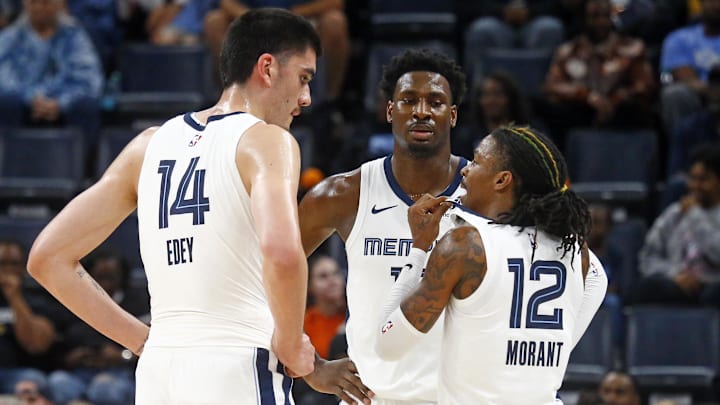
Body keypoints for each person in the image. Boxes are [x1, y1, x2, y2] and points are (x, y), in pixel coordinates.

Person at [27, 8, 320, 403]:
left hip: (159, 372)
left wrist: (140, 339)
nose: (306, 98)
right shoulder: (266, 141)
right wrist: (290, 343)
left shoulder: (147, 146)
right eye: (303, 78)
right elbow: (283, 254)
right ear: (267, 68)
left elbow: (47, 258)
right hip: (237, 363)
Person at [374, 125, 608, 404]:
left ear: (502, 180)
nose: (465, 170)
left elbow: (388, 345)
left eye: (475, 161)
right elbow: (597, 278)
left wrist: (419, 249)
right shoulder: (573, 248)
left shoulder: (465, 245)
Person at [298, 48, 468, 404]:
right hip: (370, 396)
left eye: (435, 102)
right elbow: (264, 274)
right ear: (390, 111)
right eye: (408, 100)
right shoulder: (343, 194)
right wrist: (310, 365)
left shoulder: (484, 196)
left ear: (452, 116)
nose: (421, 111)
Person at [0, 0, 103, 143]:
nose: (39, 7)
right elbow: (4, 79)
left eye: (45, 2)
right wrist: (31, 99)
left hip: (64, 108)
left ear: (59, 3)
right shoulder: (10, 37)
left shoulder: (75, 35)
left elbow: (89, 80)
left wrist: (60, 102)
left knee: (87, 107)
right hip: (23, 105)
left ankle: (86, 165)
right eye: (34, 2)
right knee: (6, 102)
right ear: (25, 4)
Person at [635, 142, 720, 307]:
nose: (694, 186)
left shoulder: (691, 212)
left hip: (713, 286)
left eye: (703, 180)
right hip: (677, 284)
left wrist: (696, 216)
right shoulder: (674, 213)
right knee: (645, 288)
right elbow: (647, 259)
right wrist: (675, 273)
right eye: (692, 178)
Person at [0, 239, 55, 396]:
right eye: (2, 263)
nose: (7, 270)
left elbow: (36, 344)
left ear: (23, 268)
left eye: (13, 264)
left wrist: (14, 297)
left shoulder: (37, 298)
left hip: (20, 373)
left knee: (31, 381)